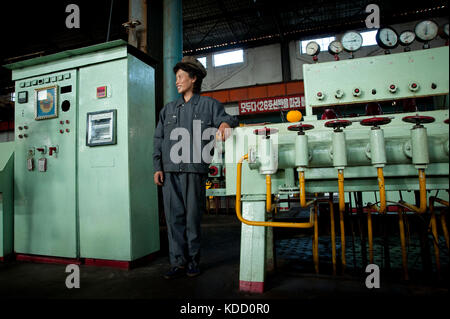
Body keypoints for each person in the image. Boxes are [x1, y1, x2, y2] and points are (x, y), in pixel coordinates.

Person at [153, 56, 238, 279]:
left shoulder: (209, 105)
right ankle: (177, 263)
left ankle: (192, 261)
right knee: (174, 220)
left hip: (194, 170)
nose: (177, 82)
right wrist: (157, 167)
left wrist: (225, 123)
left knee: (192, 219)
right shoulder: (168, 109)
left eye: (181, 77)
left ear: (193, 78)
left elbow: (230, 118)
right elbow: (158, 139)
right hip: (170, 171)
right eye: (176, 78)